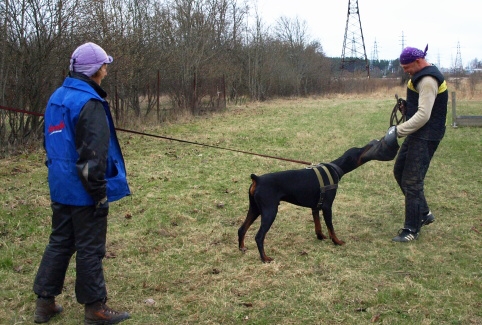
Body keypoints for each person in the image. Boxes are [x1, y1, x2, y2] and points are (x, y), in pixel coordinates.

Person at [33, 42, 131, 324]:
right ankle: (95, 308)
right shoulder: (90, 103)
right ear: (98, 69)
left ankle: (44, 303)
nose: (107, 69)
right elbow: (92, 156)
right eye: (105, 65)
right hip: (83, 189)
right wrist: (99, 195)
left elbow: (48, 142)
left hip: (60, 185)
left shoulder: (56, 97)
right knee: (90, 247)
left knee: (60, 242)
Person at [391, 45, 448, 242]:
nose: (406, 71)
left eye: (407, 67)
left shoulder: (428, 80)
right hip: (417, 133)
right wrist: (408, 108)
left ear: (418, 62)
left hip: (427, 135)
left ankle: (411, 229)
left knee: (412, 181)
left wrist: (397, 131)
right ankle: (423, 212)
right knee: (399, 171)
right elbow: (420, 108)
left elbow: (424, 115)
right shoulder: (418, 76)